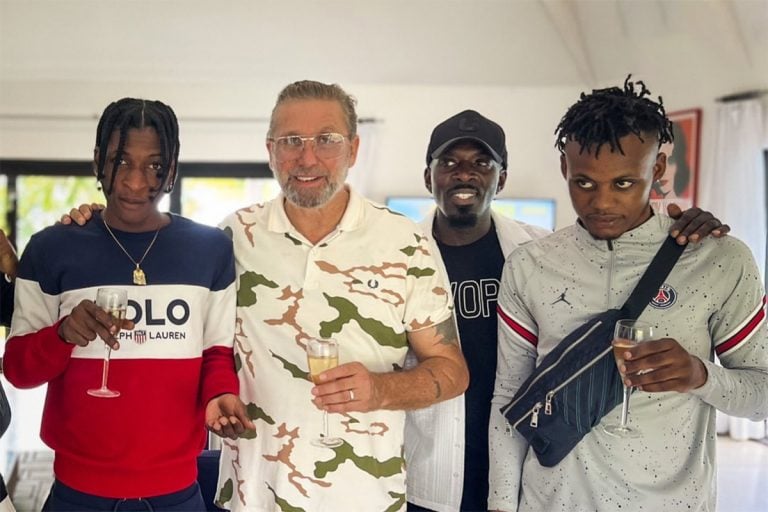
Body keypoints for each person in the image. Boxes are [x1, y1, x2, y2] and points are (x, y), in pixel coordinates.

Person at [405, 110, 731, 512]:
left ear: (501, 179)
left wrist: (682, 232)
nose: (465, 174)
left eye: (482, 163)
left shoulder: (535, 254)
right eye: (450, 162)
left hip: (532, 456)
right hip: (433, 465)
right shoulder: (398, 258)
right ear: (428, 177)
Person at [488, 76, 768, 511]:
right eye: (584, 183)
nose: (602, 202)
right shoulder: (529, 266)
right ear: (564, 168)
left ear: (656, 169)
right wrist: (502, 505)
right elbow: (508, 398)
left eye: (623, 183)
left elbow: (762, 396)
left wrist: (701, 375)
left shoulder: (719, 259)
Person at [208, 80, 468, 512]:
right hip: (250, 499)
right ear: (270, 150)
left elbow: (452, 371)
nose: (307, 158)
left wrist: (381, 390)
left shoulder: (405, 242)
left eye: (326, 140)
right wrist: (100, 222)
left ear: (354, 148)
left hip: (368, 499)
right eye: (291, 141)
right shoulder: (233, 236)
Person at [2, 98, 253, 511]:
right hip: (76, 497)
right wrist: (63, 335)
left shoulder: (210, 250)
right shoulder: (51, 248)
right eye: (121, 162)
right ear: (98, 162)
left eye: (155, 165)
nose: (136, 182)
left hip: (178, 496)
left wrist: (220, 394)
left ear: (172, 170)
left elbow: (216, 353)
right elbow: (18, 370)